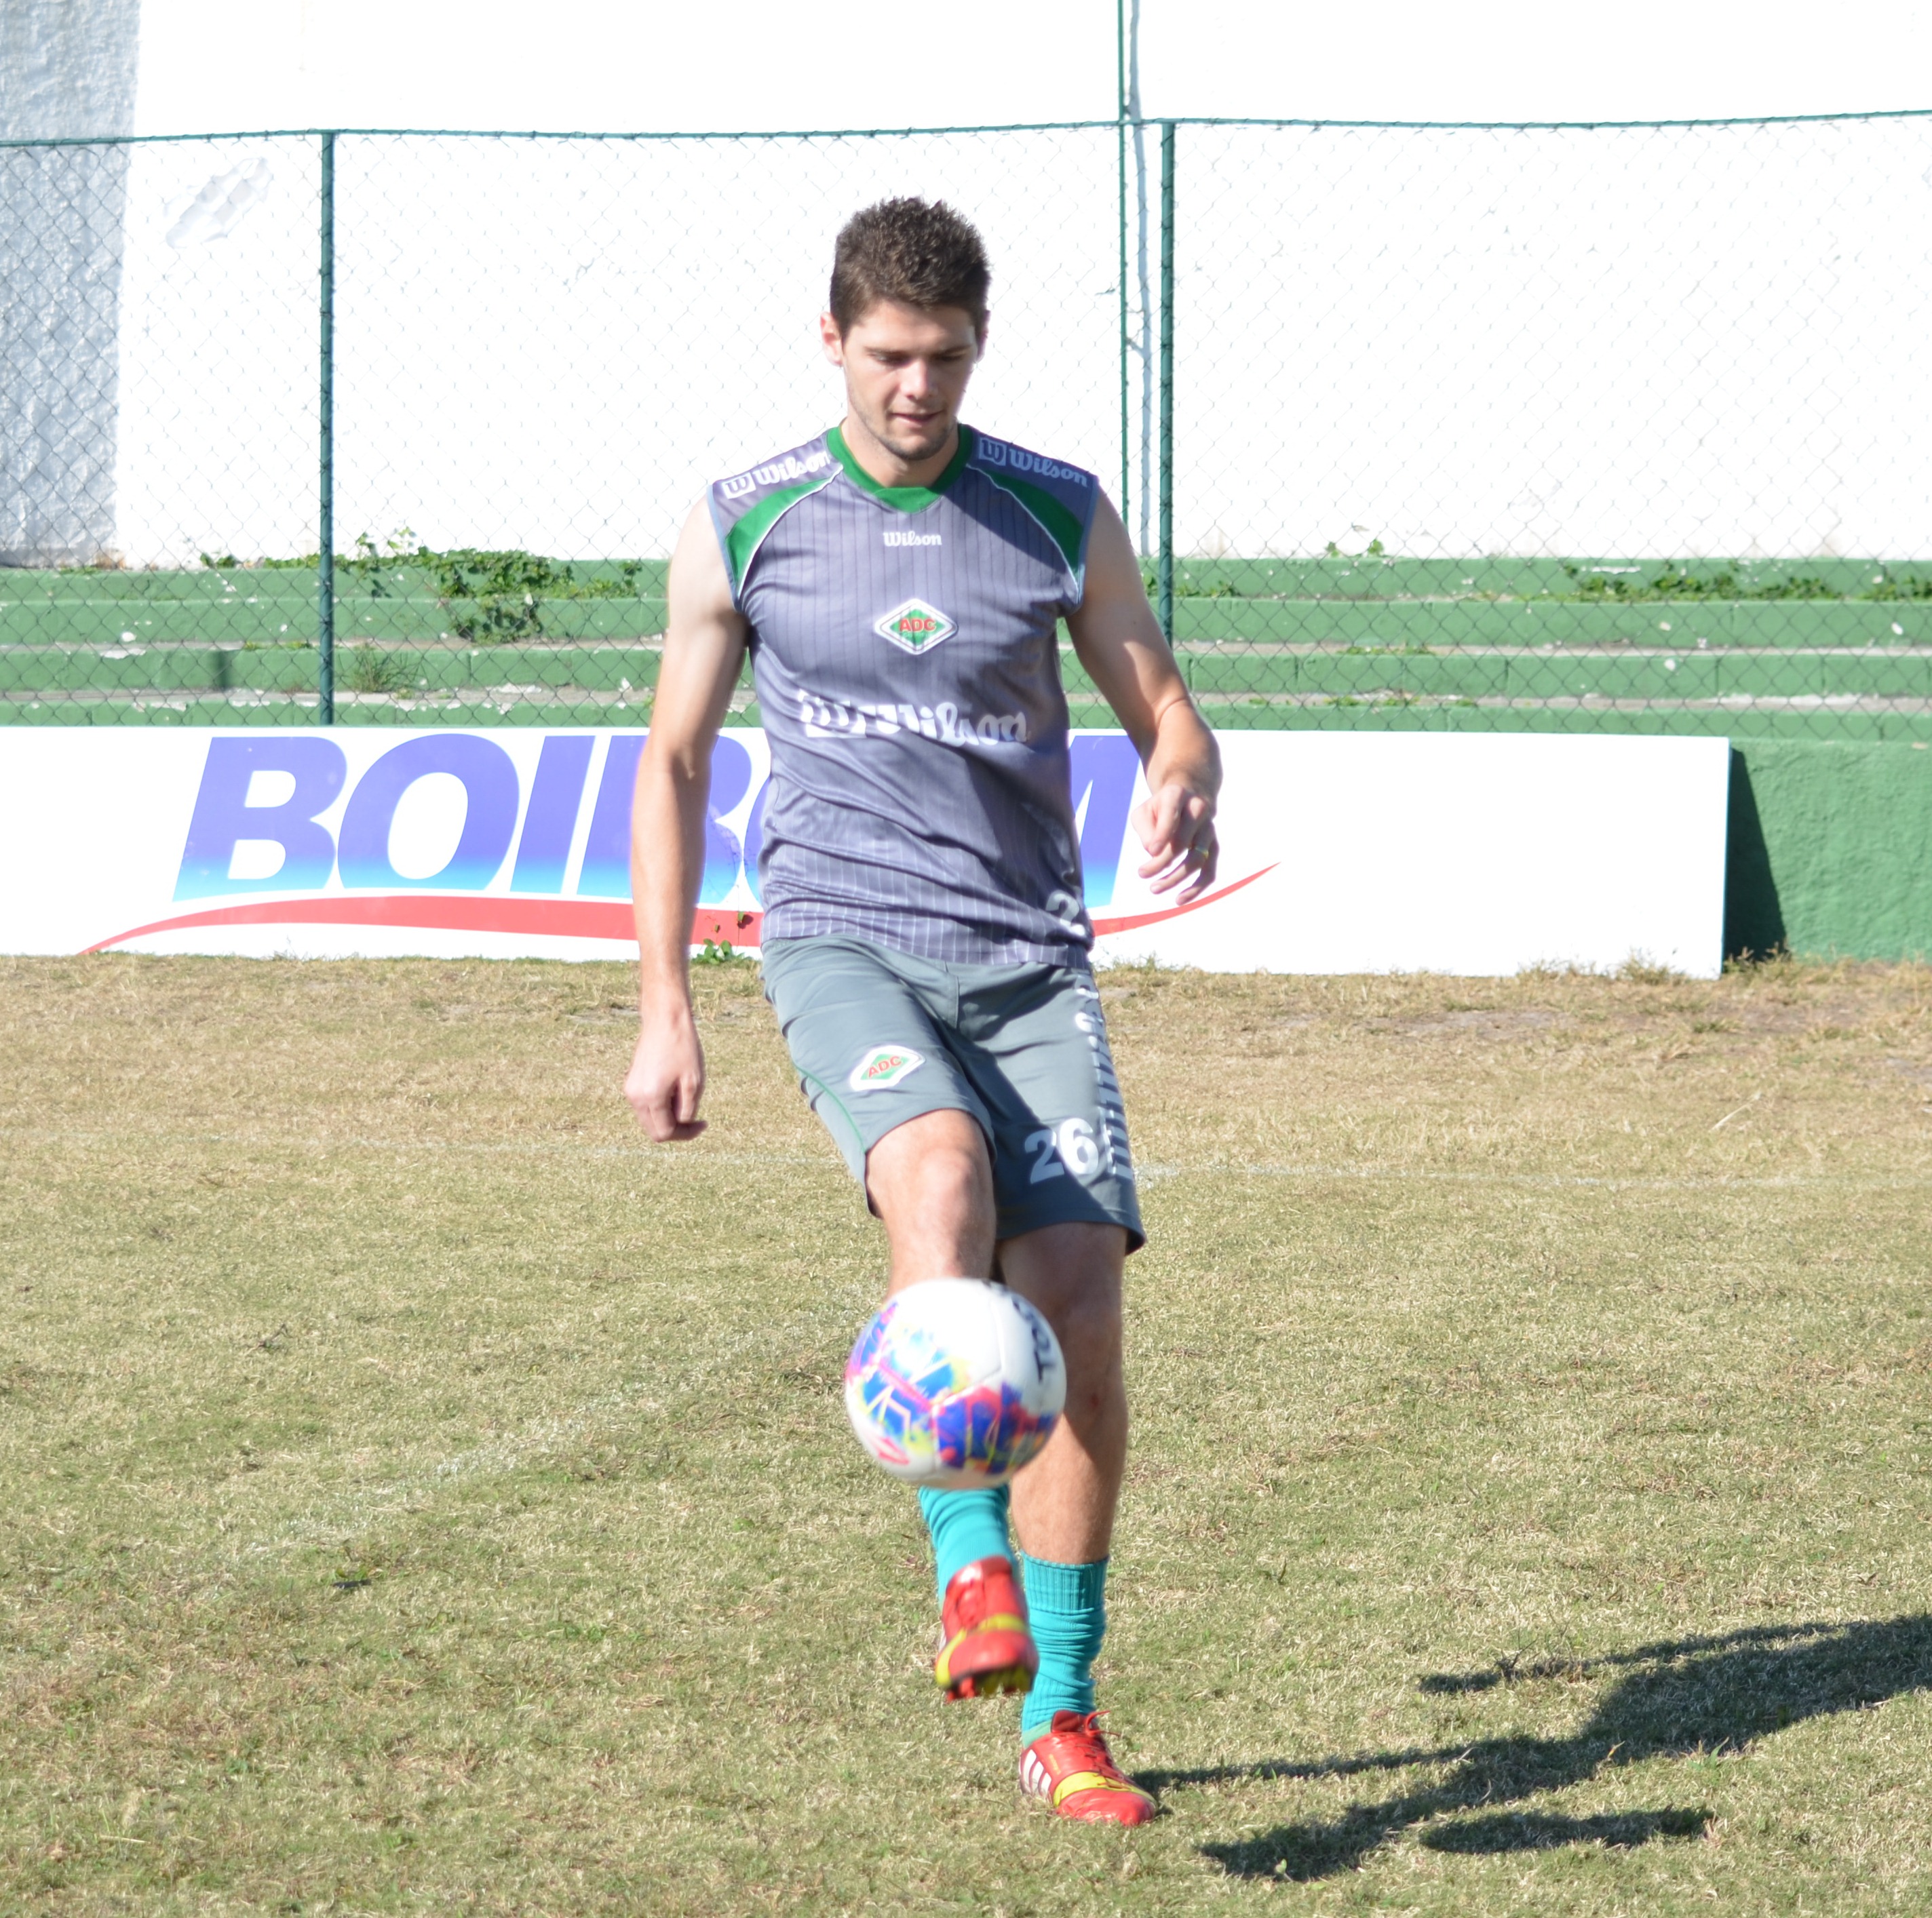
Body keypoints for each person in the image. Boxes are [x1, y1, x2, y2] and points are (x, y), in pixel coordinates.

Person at [624, 197, 1220, 1826]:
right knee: (938, 1177)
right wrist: (664, 1003)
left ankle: (1069, 1715)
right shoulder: (745, 522)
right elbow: (671, 763)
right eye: (887, 355)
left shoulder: (1049, 510)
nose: (914, 388)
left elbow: (1162, 702)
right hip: (839, 939)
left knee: (1082, 1314)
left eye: (943, 358)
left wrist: (1180, 775)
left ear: (976, 345)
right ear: (831, 339)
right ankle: (967, 1560)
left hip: (1026, 952)